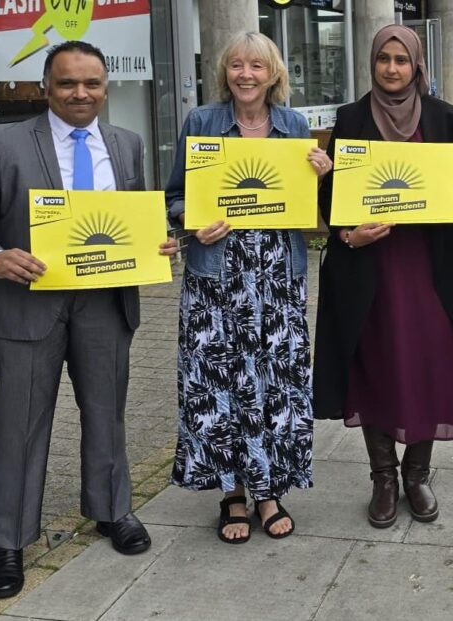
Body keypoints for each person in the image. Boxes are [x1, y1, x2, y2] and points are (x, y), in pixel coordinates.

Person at [0, 41, 179, 598]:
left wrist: (156, 243)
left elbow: (130, 219)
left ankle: (111, 509)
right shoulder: (3, 143)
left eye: (92, 83)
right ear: (44, 88)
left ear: (106, 87)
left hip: (104, 302)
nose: (81, 93)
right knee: (20, 426)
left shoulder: (127, 143)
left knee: (108, 414)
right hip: (27, 305)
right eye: (68, 83)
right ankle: (9, 542)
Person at [312, 24, 453, 529]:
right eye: (384, 59)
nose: (392, 69)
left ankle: (417, 473)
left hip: (433, 269)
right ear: (372, 63)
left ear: (417, 65)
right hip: (369, 270)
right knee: (375, 363)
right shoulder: (351, 118)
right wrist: (348, 229)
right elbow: (332, 202)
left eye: (402, 60)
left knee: (427, 364)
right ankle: (383, 477)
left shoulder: (445, 117)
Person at [165, 32, 331, 543]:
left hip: (278, 277)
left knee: (275, 384)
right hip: (217, 276)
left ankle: (269, 490)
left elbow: (314, 210)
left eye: (256, 66)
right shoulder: (202, 122)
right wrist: (191, 223)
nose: (246, 75)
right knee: (220, 384)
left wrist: (324, 176)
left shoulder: (296, 126)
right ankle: (232, 493)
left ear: (274, 74)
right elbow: (174, 197)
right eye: (236, 65)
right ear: (225, 73)